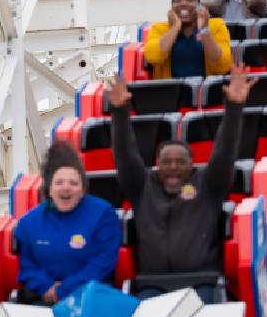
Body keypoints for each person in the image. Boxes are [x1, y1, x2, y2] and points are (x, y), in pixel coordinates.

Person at [109, 63, 257, 304]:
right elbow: (125, 154)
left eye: (180, 162)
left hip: (202, 283)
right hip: (152, 285)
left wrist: (234, 106)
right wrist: (119, 111)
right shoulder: (142, 187)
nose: (173, 167)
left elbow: (225, 150)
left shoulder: (209, 185)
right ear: (157, 165)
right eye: (166, 162)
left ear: (192, 165)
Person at [13, 142, 120, 304]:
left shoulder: (103, 214)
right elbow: (27, 266)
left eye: (73, 183)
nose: (66, 188)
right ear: (49, 189)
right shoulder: (28, 223)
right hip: (44, 299)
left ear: (83, 189)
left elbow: (102, 263)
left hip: (91, 299)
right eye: (59, 182)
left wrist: (64, 290)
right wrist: (46, 287)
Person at [143, 0, 231, 79]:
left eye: (190, 0)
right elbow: (153, 58)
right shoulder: (159, 28)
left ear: (199, 7)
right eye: (177, 1)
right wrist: (175, 27)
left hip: (205, 88)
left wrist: (204, 30)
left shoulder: (216, 25)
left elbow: (222, 66)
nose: (183, 3)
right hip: (170, 89)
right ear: (171, 9)